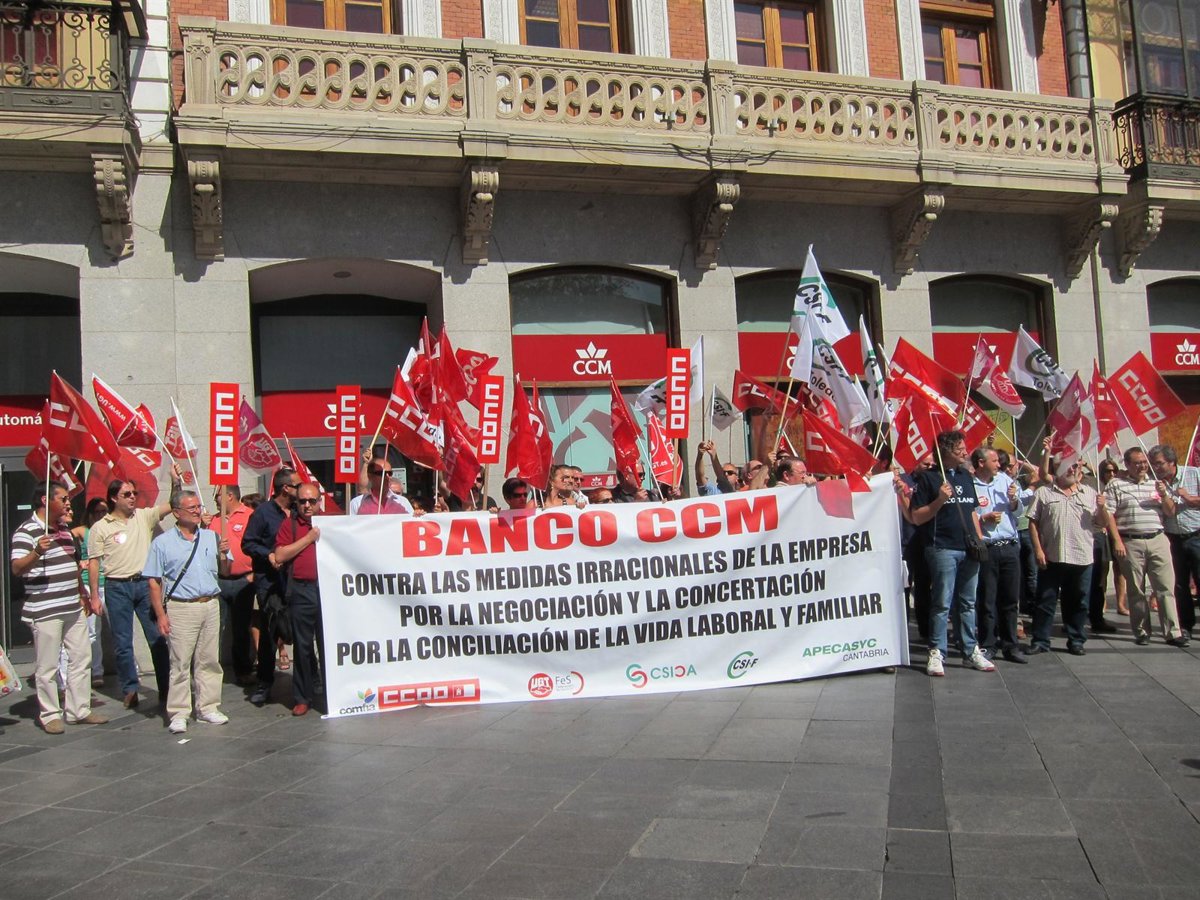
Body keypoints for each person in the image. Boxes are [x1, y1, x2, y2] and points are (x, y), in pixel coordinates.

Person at [11, 482, 109, 734]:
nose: (68, 503)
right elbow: (17, 568)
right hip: (45, 609)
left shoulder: (64, 530)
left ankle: (79, 710)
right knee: (48, 665)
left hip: (72, 606)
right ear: (46, 500)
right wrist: (37, 551)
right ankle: (50, 714)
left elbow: (73, 565)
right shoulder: (26, 531)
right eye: (63, 499)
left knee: (81, 657)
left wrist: (83, 593)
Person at [86, 468, 182, 708]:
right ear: (113, 498)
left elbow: (173, 504)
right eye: (126, 494)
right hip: (117, 587)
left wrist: (175, 480)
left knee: (157, 638)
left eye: (134, 493)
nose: (132, 497)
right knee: (122, 642)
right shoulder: (101, 527)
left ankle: (166, 689)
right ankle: (129, 688)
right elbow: (94, 562)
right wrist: (95, 596)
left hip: (144, 585)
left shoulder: (143, 516)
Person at [908, 430, 994, 676]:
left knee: (967, 602)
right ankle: (937, 651)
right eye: (960, 449)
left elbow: (972, 511)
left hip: (969, 548)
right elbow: (916, 516)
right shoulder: (928, 479)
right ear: (946, 452)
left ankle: (970, 650)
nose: (965, 452)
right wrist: (939, 500)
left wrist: (979, 540)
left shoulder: (966, 476)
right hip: (942, 547)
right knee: (942, 603)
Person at [146, 490, 231, 734]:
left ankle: (208, 707)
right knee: (180, 662)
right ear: (176, 512)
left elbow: (225, 570)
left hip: (210, 603)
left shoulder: (212, 536)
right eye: (191, 508)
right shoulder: (162, 543)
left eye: (198, 507)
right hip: (181, 606)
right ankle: (179, 712)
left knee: (209, 660)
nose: (197, 511)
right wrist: (161, 615)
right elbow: (154, 581)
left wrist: (224, 555)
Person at [1107, 447, 1188, 647]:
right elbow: (1109, 514)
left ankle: (1173, 632)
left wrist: (1164, 494)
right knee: (1136, 589)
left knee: (1165, 587)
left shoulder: (1157, 482)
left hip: (1158, 539)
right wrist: (1117, 540)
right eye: (1137, 463)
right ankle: (1142, 631)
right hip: (1130, 541)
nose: (1142, 466)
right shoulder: (1116, 484)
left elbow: (1170, 512)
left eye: (1144, 462)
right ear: (1127, 464)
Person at [1027, 459, 1109, 656]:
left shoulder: (1090, 493)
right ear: (1057, 469)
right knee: (1046, 600)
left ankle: (1076, 640)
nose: (1073, 469)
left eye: (1076, 466)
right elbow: (1033, 522)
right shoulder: (1044, 492)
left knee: (1078, 601)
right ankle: (1040, 640)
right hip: (1052, 555)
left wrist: (1102, 508)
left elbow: (1102, 523)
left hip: (1081, 556)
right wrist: (1038, 550)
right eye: (1069, 466)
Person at [242, 468, 301, 705]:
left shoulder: (298, 511)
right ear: (285, 488)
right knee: (270, 633)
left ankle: (308, 679)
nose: (300, 490)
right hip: (270, 582)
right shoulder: (263, 513)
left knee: (301, 630)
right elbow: (248, 543)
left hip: (296, 581)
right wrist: (268, 555)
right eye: (297, 486)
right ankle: (265, 682)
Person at [971, 447, 1028, 663]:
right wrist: (983, 518)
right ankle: (988, 643)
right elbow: (969, 515)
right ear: (981, 463)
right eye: (994, 461)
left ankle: (1010, 644)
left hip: (1009, 545)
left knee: (1010, 598)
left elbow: (1019, 512)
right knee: (987, 599)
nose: (999, 464)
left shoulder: (1005, 480)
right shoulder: (971, 484)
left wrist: (1013, 501)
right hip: (988, 546)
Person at [274, 483, 324, 716]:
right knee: (303, 647)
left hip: (327, 590)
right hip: (301, 590)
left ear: (319, 501)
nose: (307, 505)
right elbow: (280, 555)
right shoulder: (290, 525)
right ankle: (302, 697)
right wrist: (308, 539)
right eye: (302, 501)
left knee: (328, 645)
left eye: (312, 501)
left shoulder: (332, 522)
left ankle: (331, 692)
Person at [1149, 444, 1200, 639]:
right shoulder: (1154, 482)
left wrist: (1188, 497)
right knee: (1178, 584)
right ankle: (1185, 625)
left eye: (1159, 463)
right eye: (1154, 464)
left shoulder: (1194, 474)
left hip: (1196, 534)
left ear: (1172, 462)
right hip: (1172, 538)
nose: (1156, 467)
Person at [209, 485, 256, 685]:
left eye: (217, 496)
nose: (215, 500)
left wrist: (253, 574)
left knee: (241, 628)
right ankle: (211, 672)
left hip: (243, 581)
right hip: (218, 581)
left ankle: (243, 670)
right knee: (214, 629)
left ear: (230, 496)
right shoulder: (213, 520)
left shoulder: (250, 516)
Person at [68, 497, 109, 689]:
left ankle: (130, 670)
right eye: (97, 512)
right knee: (93, 631)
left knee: (120, 630)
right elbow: (64, 540)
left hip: (110, 583)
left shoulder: (111, 530)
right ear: (90, 514)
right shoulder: (82, 531)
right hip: (88, 583)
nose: (100, 515)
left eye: (104, 511)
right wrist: (79, 562)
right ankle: (96, 671)